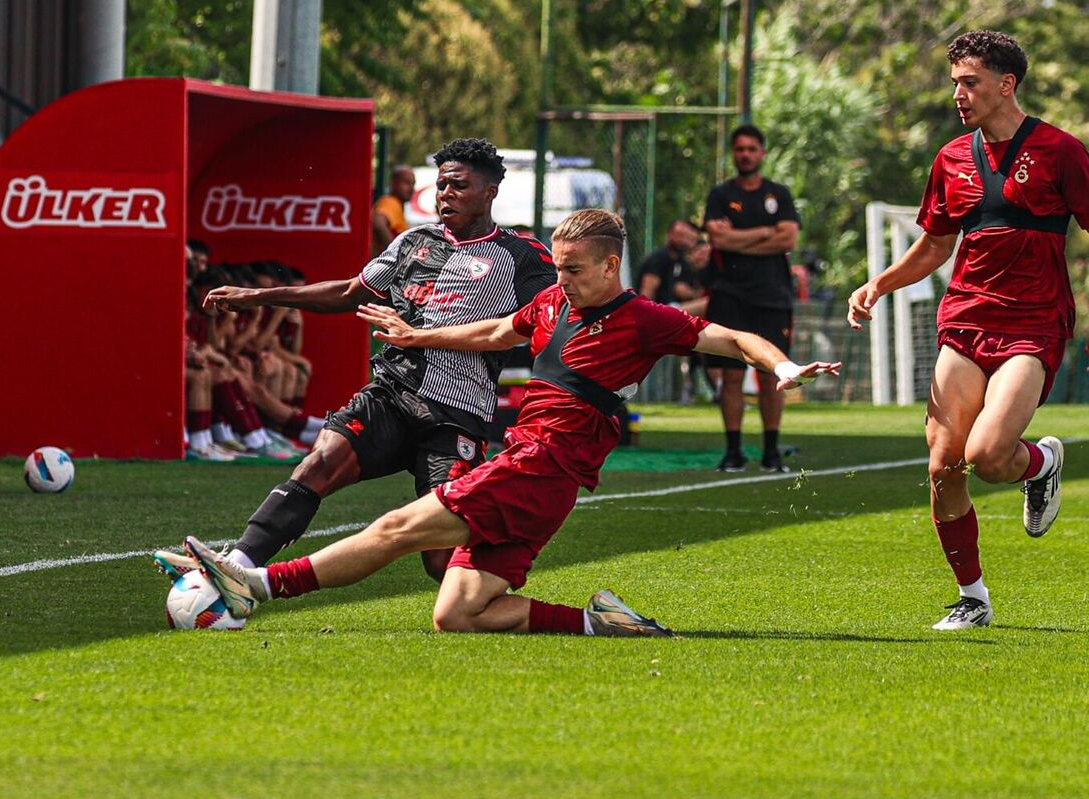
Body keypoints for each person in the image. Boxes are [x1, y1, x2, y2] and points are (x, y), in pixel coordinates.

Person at [178, 209, 840, 636]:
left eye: (574, 269)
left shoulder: (645, 319)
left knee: (398, 528)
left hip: (541, 464)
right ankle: (597, 622)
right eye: (558, 266)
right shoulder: (552, 301)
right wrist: (416, 334)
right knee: (458, 612)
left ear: (610, 265)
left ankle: (256, 585)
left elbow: (733, 337)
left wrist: (781, 367)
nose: (561, 279)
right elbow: (497, 331)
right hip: (538, 473)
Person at [154, 138, 556, 583]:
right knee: (320, 463)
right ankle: (235, 568)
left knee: (442, 561)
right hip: (391, 393)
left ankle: (504, 593)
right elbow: (349, 292)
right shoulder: (413, 242)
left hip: (455, 413)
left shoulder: (522, 256)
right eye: (442, 185)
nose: (446, 194)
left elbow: (553, 318)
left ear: (489, 192)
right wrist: (257, 296)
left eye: (458, 186)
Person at [847, 30, 1089, 631]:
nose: (958, 93)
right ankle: (973, 598)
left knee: (987, 456)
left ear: (1006, 85)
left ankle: (1039, 463)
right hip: (965, 319)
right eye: (955, 82)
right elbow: (935, 245)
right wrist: (879, 284)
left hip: (1034, 324)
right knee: (943, 465)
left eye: (969, 82)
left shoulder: (1061, 151)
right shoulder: (951, 157)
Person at [703, 124, 801, 473]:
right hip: (730, 296)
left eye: (751, 148)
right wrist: (764, 233)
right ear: (733, 153)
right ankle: (733, 451)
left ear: (762, 153)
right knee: (730, 376)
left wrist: (739, 238)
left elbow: (788, 239)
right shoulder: (720, 195)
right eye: (740, 149)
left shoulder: (779, 194)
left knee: (773, 374)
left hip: (772, 297)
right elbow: (718, 239)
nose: (745, 154)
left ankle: (771, 451)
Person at [637, 218, 705, 306]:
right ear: (669, 235)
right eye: (680, 235)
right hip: (659, 309)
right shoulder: (658, 258)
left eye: (688, 238)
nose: (683, 240)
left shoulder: (681, 262)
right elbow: (647, 293)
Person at [371, 164, 416, 256]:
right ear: (393, 183)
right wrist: (395, 254)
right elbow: (378, 222)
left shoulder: (397, 205)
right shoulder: (390, 202)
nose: (411, 188)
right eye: (406, 182)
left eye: (413, 184)